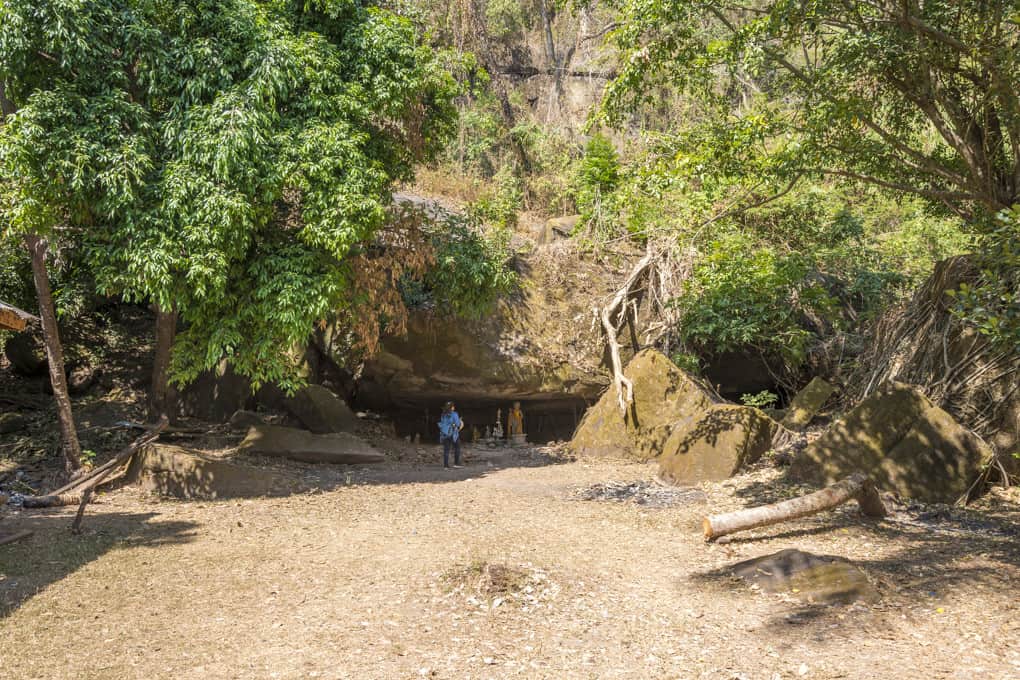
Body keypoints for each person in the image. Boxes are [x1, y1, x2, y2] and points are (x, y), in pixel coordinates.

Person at [438, 401, 465, 469]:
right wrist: (459, 421)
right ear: (452, 407)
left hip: (444, 434)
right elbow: (458, 424)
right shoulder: (454, 414)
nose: (454, 407)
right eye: (453, 406)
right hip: (453, 434)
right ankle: (456, 463)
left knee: (446, 450)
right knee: (457, 448)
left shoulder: (443, 414)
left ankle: (446, 466)